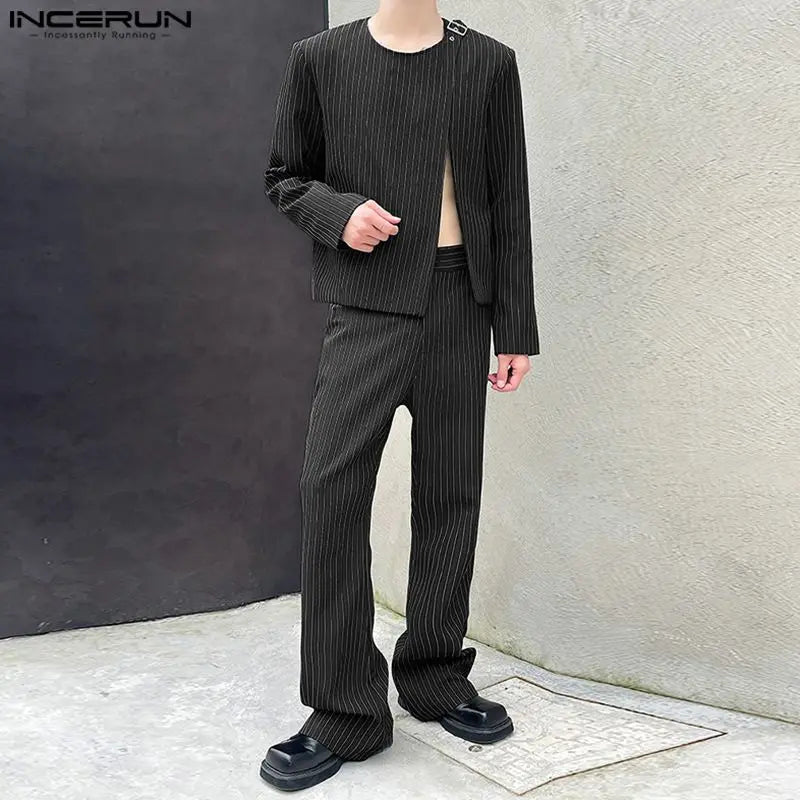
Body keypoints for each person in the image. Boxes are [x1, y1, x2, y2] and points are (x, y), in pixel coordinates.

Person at [259, 1, 540, 791]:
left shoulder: (488, 62)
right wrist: (339, 214)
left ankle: (436, 676)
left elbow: (508, 198)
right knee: (331, 491)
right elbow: (285, 177)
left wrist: (515, 327)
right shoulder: (320, 58)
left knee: (450, 494)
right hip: (368, 309)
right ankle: (345, 711)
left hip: (463, 307)